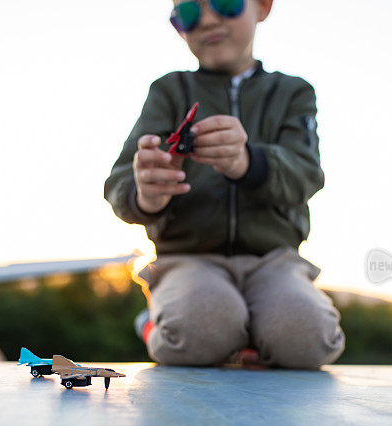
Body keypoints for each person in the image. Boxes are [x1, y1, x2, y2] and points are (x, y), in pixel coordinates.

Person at [104, 0, 345, 369]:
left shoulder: (293, 93)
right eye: (188, 13)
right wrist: (148, 195)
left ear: (262, 7)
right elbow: (120, 183)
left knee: (310, 341)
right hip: (186, 257)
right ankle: (155, 322)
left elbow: (307, 174)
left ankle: (245, 334)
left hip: (274, 260)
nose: (209, 19)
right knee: (196, 334)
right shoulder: (168, 91)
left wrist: (248, 162)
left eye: (226, 3)